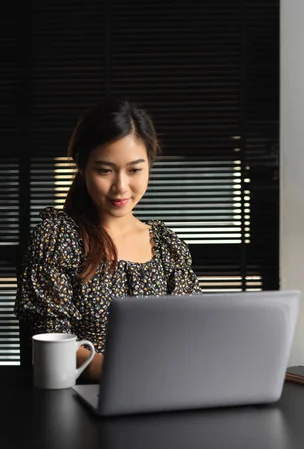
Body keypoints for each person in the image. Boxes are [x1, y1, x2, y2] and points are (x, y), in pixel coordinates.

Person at [14, 99, 202, 381]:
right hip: (82, 402)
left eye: (135, 170)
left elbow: (191, 333)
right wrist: (138, 373)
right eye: (105, 170)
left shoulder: (166, 246)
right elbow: (53, 344)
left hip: (162, 396)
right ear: (81, 166)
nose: (121, 187)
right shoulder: (57, 239)